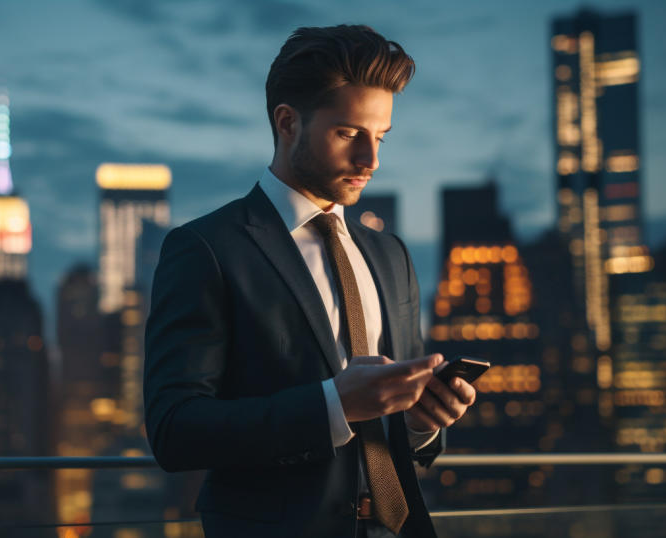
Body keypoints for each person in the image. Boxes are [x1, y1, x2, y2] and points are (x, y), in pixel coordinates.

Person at [144, 25, 477, 538]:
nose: (372, 160)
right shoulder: (208, 248)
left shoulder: (390, 256)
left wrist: (422, 421)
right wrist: (334, 405)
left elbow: (402, 436)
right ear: (287, 123)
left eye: (380, 137)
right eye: (349, 134)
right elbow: (175, 431)